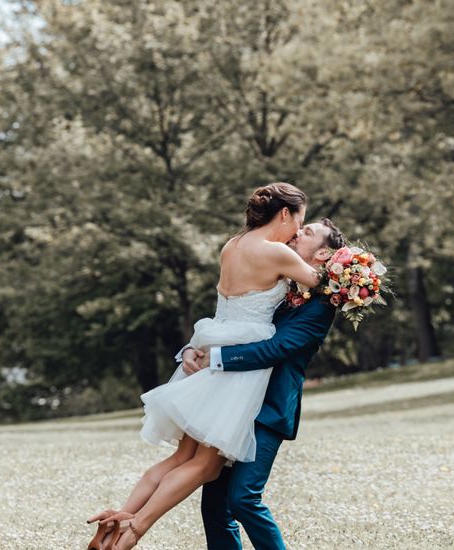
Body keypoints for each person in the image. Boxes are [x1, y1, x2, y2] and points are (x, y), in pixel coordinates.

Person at [86, 182, 339, 550]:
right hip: (234, 374)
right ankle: (131, 531)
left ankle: (121, 517)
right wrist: (355, 275)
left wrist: (200, 348)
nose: (299, 231)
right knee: (203, 466)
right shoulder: (281, 258)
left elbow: (248, 317)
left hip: (226, 355)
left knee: (185, 459)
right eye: (301, 222)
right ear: (284, 214)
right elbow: (327, 284)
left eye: (308, 232)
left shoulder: (233, 246)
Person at [187, 217, 345, 550]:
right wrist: (193, 348)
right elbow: (233, 320)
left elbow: (278, 349)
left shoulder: (320, 306)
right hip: (234, 400)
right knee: (213, 504)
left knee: (243, 498)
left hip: (268, 409)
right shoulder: (279, 281)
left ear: (323, 254)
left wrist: (215, 360)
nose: (298, 232)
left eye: (309, 233)